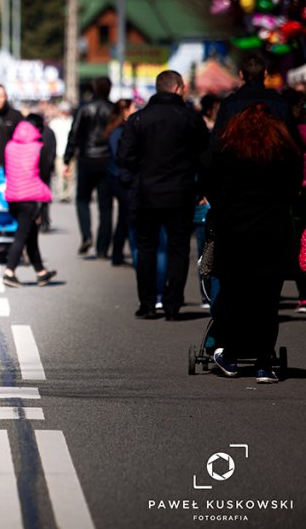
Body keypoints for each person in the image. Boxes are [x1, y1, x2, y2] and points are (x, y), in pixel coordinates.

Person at [206, 104, 302, 383]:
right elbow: (293, 187)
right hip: (271, 233)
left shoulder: (228, 152)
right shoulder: (282, 153)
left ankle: (232, 354)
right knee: (267, 300)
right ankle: (264, 362)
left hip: (234, 233)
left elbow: (211, 184)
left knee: (235, 296)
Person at [117, 71, 210, 320]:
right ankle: (172, 303)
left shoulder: (138, 119)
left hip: (146, 192)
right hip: (181, 192)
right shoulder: (190, 118)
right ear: (178, 88)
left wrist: (136, 177)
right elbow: (206, 156)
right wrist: (200, 188)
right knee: (178, 249)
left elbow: (124, 157)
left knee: (146, 247)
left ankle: (147, 303)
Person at [2, 117, 56, 287]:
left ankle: (41, 272)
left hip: (13, 196)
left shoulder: (10, 146)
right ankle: (9, 272)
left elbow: (6, 169)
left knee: (30, 234)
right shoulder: (38, 148)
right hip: (30, 197)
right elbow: (45, 172)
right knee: (22, 235)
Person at [63, 76, 114, 257]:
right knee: (105, 206)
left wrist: (67, 158)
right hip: (107, 160)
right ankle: (102, 247)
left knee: (82, 199)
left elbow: (74, 133)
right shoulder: (113, 109)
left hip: (86, 158)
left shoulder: (84, 108)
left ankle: (86, 235)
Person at [214, 55, 298, 141]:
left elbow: (217, 139)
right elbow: (292, 138)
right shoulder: (280, 103)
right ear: (265, 74)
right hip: (273, 153)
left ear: (241, 75)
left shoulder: (229, 104)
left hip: (237, 153)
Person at [105, 99, 135, 266]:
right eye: (133, 108)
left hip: (117, 175)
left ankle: (117, 253)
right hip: (119, 177)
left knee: (123, 217)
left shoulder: (117, 129)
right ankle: (127, 251)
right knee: (128, 216)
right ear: (125, 112)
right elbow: (119, 155)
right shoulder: (119, 131)